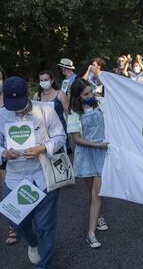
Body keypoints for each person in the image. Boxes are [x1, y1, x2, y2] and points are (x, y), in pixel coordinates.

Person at [0, 76, 66, 268]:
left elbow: (60, 136)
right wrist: (4, 152)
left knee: (46, 227)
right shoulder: (1, 115)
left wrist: (42, 148)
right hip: (16, 178)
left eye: (19, 104)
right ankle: (33, 242)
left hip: (43, 176)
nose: (17, 110)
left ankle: (43, 265)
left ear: (26, 95)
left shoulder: (46, 110)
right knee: (16, 221)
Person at [67, 79, 109, 248]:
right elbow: (76, 139)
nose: (91, 95)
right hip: (85, 154)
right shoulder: (74, 113)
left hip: (101, 152)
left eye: (91, 91)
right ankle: (98, 216)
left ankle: (90, 233)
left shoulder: (101, 104)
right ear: (78, 97)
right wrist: (96, 144)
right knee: (91, 192)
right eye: (86, 94)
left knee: (96, 194)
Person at [0, 68, 20, 246]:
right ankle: (13, 224)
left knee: (13, 186)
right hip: (2, 151)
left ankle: (16, 225)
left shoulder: (13, 99)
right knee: (6, 190)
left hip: (15, 153)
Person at [33, 70, 71, 153]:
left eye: (46, 80)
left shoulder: (60, 94)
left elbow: (69, 113)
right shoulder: (37, 96)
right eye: (41, 80)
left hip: (58, 130)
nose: (43, 82)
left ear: (52, 80)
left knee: (60, 155)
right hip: (42, 131)